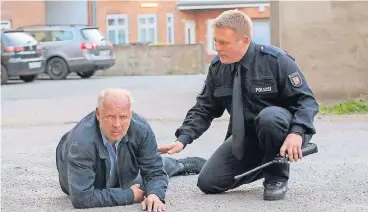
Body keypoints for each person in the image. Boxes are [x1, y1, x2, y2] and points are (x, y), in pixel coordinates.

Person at [158, 9, 319, 201]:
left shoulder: (275, 61)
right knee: (208, 183)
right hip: (247, 138)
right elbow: (205, 107)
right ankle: (269, 160)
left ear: (244, 40)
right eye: (215, 41)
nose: (217, 47)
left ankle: (276, 177)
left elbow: (307, 101)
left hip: (285, 132)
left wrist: (297, 132)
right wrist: (183, 138)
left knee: (269, 117)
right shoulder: (218, 68)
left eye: (223, 42)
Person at [56, 88, 206, 211]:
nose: (117, 124)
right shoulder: (81, 143)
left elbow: (154, 171)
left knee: (152, 170)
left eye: (123, 117)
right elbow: (82, 198)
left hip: (121, 165)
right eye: (110, 117)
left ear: (130, 113)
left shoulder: (140, 128)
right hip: (86, 176)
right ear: (98, 114)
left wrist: (155, 195)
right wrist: (129, 195)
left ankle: (180, 165)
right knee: (138, 183)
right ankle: (148, 159)